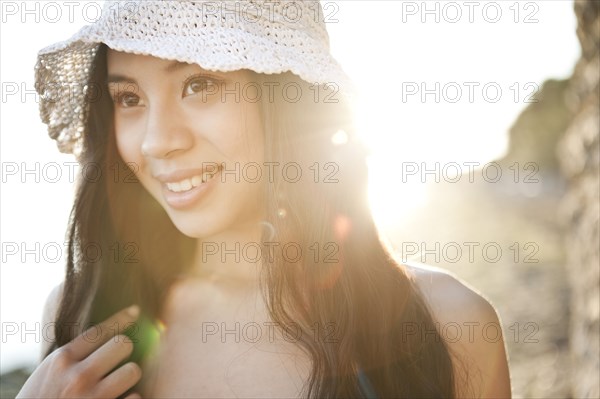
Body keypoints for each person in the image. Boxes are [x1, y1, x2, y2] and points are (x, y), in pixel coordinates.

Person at [18, 1, 511, 398]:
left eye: (199, 84)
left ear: (285, 98)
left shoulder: (450, 324)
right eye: (129, 98)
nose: (155, 141)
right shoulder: (80, 318)